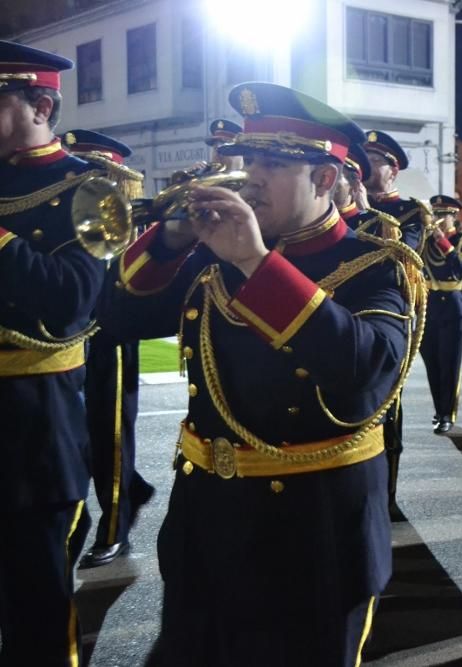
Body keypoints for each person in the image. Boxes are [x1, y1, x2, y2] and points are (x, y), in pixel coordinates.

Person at [99, 82, 422, 666]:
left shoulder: (376, 266)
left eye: (272, 164)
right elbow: (114, 317)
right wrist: (169, 239)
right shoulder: (211, 251)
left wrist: (255, 262)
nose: (249, 177)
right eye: (248, 160)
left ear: (324, 179)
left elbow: (367, 369)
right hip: (206, 520)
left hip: (312, 533)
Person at [0, 40, 105, 666]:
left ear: (40, 104)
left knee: (35, 608)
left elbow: (73, 301)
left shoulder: (88, 189)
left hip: (31, 425)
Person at [60, 129, 157, 568]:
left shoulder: (124, 219)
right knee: (77, 434)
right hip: (72, 336)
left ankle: (114, 526)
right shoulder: (69, 215)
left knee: (110, 432)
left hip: (110, 335)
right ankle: (123, 496)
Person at [363, 129, 432, 514]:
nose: (365, 168)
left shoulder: (409, 211)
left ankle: (386, 494)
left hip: (391, 314)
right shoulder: (342, 205)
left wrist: (363, 209)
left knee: (387, 406)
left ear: (393, 170)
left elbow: (402, 254)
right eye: (363, 159)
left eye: (375, 161)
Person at [422, 194, 462, 434]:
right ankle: (439, 409)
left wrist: (443, 242)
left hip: (453, 304)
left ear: (454, 216)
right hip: (430, 306)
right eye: (436, 214)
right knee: (432, 362)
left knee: (449, 364)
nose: (439, 219)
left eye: (444, 215)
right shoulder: (425, 242)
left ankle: (448, 413)